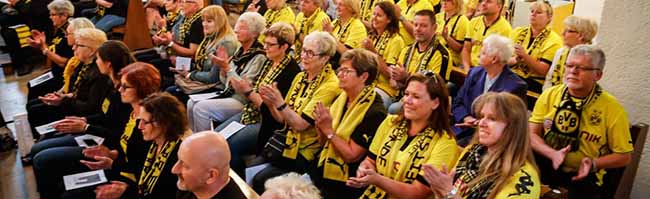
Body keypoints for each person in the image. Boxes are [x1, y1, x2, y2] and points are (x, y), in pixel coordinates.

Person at [31, 61, 157, 199]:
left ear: (141, 89)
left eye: (125, 87)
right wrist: (112, 154)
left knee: (61, 184)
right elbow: (121, 142)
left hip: (126, 176)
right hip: (114, 161)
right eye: (120, 85)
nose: (120, 89)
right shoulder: (131, 111)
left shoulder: (147, 123)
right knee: (55, 175)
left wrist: (113, 160)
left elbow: (141, 164)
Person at [529, 45, 632, 198]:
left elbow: (624, 156)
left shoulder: (612, 108)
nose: (573, 71)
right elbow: (531, 135)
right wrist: (552, 153)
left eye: (582, 68)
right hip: (546, 163)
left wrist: (594, 164)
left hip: (584, 176)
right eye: (569, 65)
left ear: (597, 75)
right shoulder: (550, 94)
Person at [251, 31, 341, 192]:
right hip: (285, 142)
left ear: (325, 58)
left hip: (305, 151)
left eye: (310, 53)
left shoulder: (330, 85)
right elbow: (281, 119)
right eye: (303, 50)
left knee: (259, 179)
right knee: (251, 168)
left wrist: (279, 101)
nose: (303, 56)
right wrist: (271, 103)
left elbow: (300, 125)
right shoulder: (301, 77)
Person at [348, 72, 459, 198]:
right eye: (406, 94)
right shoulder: (390, 122)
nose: (407, 101)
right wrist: (364, 170)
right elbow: (370, 160)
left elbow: (417, 193)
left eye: (416, 96)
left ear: (435, 103)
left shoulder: (445, 143)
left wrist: (377, 180)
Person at [215, 22, 301, 177]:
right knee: (216, 136)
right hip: (252, 111)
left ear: (284, 47)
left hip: (268, 123)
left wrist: (247, 92)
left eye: (271, 44)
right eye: (265, 43)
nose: (265, 47)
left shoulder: (291, 71)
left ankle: (237, 184)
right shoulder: (269, 61)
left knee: (229, 145)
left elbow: (271, 110)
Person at [424, 92, 541, 199]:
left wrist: (448, 192)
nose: (481, 123)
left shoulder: (524, 179)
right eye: (482, 117)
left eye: (492, 119)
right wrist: (439, 191)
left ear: (513, 128)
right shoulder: (473, 151)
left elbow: (451, 193)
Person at [308, 49, 387, 198]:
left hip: (346, 181)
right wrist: (320, 126)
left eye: (346, 71)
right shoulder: (342, 98)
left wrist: (328, 130)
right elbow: (323, 142)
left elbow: (351, 156)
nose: (339, 75)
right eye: (340, 70)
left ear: (364, 76)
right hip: (323, 167)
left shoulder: (374, 112)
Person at [95, 92, 189, 199]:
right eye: (140, 120)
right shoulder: (151, 144)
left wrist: (126, 192)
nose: (140, 126)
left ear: (163, 123)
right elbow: (137, 171)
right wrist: (112, 164)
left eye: (145, 122)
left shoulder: (178, 156)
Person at [188, 11, 267, 132]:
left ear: (254, 34)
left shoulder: (259, 56)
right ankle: (195, 139)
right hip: (229, 93)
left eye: (242, 28)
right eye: (236, 27)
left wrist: (227, 68)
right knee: (190, 103)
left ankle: (205, 145)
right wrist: (224, 71)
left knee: (201, 109)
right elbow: (225, 81)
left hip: (243, 100)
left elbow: (243, 88)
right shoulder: (240, 51)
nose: (236, 31)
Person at [27, 28, 110, 139]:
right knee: (33, 106)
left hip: (81, 115)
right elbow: (75, 89)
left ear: (92, 50)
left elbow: (90, 107)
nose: (73, 48)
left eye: (78, 45)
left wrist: (63, 100)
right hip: (73, 104)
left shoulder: (99, 72)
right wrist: (62, 95)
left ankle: (41, 140)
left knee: (36, 110)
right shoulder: (83, 63)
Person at [452, 34, 526, 146]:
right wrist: (466, 118)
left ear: (494, 59)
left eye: (483, 53)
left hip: (491, 140)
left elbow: (510, 124)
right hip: (463, 130)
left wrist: (481, 123)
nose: (478, 55)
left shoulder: (515, 86)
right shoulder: (474, 73)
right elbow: (458, 102)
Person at [165, 5, 240, 103]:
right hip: (204, 81)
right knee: (170, 87)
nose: (204, 24)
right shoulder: (211, 37)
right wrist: (184, 67)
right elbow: (202, 64)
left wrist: (189, 75)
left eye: (209, 21)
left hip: (217, 87)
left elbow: (213, 77)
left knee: (171, 93)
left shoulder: (225, 42)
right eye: (203, 21)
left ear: (220, 22)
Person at [388, 10, 452, 113]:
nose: (417, 29)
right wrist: (396, 79)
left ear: (434, 28)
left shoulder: (441, 54)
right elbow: (393, 83)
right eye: (415, 25)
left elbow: (434, 90)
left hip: (426, 104)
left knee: (393, 109)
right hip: (401, 95)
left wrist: (405, 78)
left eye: (423, 26)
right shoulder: (406, 50)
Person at [508, 1, 562, 109]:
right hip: (511, 75)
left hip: (532, 83)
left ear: (549, 17)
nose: (533, 14)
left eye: (539, 12)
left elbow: (542, 70)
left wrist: (525, 56)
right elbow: (503, 59)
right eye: (532, 11)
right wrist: (515, 60)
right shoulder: (518, 32)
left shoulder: (554, 40)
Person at [26, 16, 94, 100]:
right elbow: (52, 50)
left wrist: (44, 49)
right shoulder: (59, 32)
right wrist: (42, 45)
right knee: (31, 84)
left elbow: (63, 63)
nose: (50, 17)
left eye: (53, 14)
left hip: (60, 77)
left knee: (35, 94)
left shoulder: (77, 47)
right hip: (55, 73)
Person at [173, 131, 247, 199]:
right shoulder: (189, 187)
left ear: (211, 176)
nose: (174, 170)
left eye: (185, 166)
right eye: (178, 160)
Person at [361, 1, 404, 108]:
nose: (374, 18)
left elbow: (390, 75)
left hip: (384, 88)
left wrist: (373, 52)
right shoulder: (372, 36)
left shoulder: (396, 40)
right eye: (374, 14)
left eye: (379, 15)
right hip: (366, 83)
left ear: (389, 19)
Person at [544, 15, 599, 90]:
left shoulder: (591, 57)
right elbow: (549, 79)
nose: (562, 33)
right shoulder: (561, 52)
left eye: (568, 31)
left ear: (581, 35)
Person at [461, 0, 512, 71]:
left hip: (488, 70)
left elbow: (500, 60)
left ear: (499, 6)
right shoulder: (473, 22)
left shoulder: (505, 28)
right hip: (470, 67)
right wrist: (467, 69)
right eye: (482, 1)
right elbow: (466, 49)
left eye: (488, 1)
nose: (483, 4)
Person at [323, 0, 367, 67]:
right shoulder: (336, 22)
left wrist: (331, 35)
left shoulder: (358, 26)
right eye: (337, 4)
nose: (337, 7)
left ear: (350, 8)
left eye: (341, 5)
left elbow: (348, 54)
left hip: (348, 66)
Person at [436, 0, 470, 67]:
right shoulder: (437, 17)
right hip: (435, 53)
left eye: (448, 1)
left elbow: (459, 49)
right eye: (442, 0)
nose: (444, 3)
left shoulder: (463, 21)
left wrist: (447, 38)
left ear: (456, 3)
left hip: (450, 58)